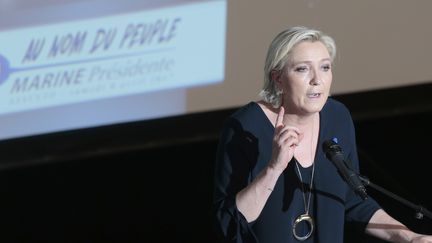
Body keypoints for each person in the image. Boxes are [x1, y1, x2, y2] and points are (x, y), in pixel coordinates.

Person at [212, 26, 432, 243]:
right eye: (302, 69)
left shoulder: (337, 117)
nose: (317, 79)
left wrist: (408, 237)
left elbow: (351, 200)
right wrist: (273, 168)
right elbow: (229, 224)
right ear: (278, 78)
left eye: (325, 67)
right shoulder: (244, 128)